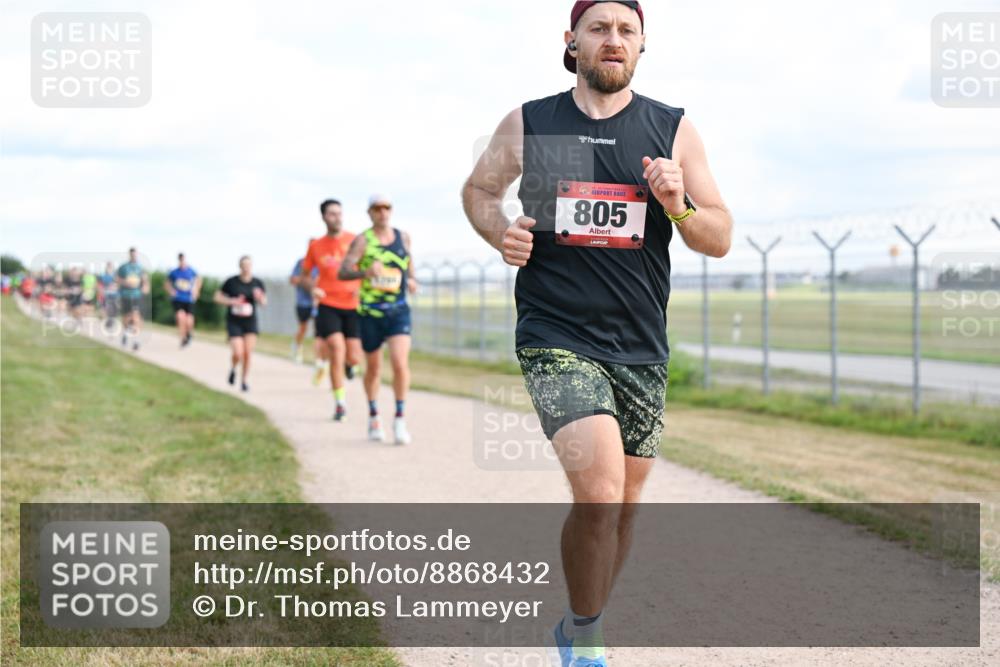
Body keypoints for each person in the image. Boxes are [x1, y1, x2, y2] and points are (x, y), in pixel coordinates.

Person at [461, 2, 733, 665]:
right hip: (555, 331)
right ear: (572, 42)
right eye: (600, 28)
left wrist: (679, 204)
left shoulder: (671, 129)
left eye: (627, 31)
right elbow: (479, 189)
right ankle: (586, 645)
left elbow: (718, 235)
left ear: (642, 46)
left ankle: (579, 621)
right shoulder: (531, 122)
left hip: (639, 342)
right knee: (601, 488)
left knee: (625, 502)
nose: (614, 39)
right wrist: (501, 230)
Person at [339, 195, 417, 444]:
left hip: (398, 311)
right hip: (370, 313)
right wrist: (365, 272)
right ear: (370, 213)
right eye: (377, 208)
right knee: (373, 368)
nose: (382, 212)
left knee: (399, 363)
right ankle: (374, 415)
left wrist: (413, 279)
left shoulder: (403, 236)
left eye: (386, 208)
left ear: (391, 211)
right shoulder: (362, 241)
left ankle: (400, 419)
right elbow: (343, 272)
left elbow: (408, 262)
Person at [302, 199, 363, 421]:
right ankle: (340, 403)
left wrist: (363, 287)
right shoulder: (316, 246)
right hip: (328, 304)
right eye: (332, 214)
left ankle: (351, 365)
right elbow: (306, 276)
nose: (337, 217)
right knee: (336, 348)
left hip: (354, 304)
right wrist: (313, 289)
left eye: (339, 213)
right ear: (324, 217)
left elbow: (366, 269)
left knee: (354, 355)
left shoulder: (355, 240)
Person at [214, 256, 267, 392]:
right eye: (244, 265)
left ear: (251, 266)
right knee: (238, 352)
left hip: (250, 322)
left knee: (248, 353)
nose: (246, 267)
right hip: (234, 321)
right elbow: (217, 297)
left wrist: (259, 298)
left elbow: (264, 303)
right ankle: (233, 368)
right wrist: (231, 301)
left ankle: (244, 381)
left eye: (248, 265)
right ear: (240, 266)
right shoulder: (231, 282)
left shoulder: (257, 283)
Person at [289, 257, 327, 379]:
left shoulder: (324, 262)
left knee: (318, 334)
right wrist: (308, 282)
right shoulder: (301, 263)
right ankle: (297, 345)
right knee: (303, 328)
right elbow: (293, 280)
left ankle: (318, 362)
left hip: (318, 303)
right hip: (303, 303)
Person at [166, 252, 202, 347]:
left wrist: (196, 290)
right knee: (180, 317)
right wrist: (171, 291)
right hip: (178, 299)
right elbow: (167, 283)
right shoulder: (174, 272)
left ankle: (189, 333)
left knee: (189, 320)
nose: (182, 261)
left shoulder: (191, 271)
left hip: (189, 299)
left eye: (183, 259)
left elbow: (199, 279)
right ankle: (183, 338)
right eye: (180, 260)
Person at [116, 247, 149, 351]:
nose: (134, 256)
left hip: (136, 295)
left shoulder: (140, 268)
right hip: (125, 295)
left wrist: (145, 287)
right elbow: (117, 278)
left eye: (135, 254)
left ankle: (136, 341)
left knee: (136, 316)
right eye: (132, 254)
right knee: (126, 317)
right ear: (129, 255)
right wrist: (125, 283)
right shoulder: (124, 267)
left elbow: (145, 280)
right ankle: (125, 333)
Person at [98, 261, 119, 330]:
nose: (109, 268)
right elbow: (99, 286)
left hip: (114, 295)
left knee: (114, 311)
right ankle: (107, 322)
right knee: (107, 310)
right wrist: (102, 291)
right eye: (108, 267)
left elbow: (118, 285)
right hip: (106, 296)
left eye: (110, 267)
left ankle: (110, 322)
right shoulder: (102, 276)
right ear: (106, 268)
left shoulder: (115, 276)